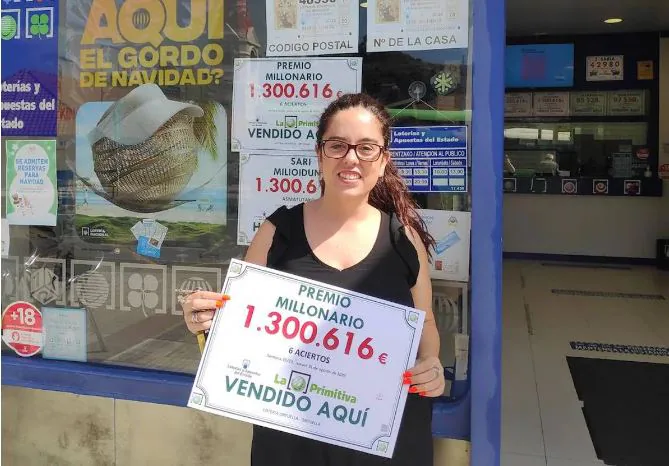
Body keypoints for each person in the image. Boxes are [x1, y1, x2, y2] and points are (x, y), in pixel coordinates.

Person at [181, 93, 445, 465]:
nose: (351, 158)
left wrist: (431, 362)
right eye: (338, 146)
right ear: (319, 154)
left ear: (383, 160)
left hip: (381, 441)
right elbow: (238, 329)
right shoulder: (278, 232)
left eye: (366, 148)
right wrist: (203, 320)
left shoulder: (403, 240)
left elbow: (426, 325)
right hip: (292, 443)